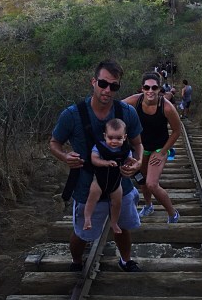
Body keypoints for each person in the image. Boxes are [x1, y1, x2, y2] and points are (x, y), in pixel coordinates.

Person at [50, 59, 144, 272]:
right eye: (103, 84)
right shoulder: (72, 115)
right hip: (87, 184)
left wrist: (137, 162)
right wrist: (65, 156)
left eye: (114, 86)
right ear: (93, 82)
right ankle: (76, 261)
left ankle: (126, 260)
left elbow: (138, 143)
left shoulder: (127, 112)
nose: (107, 90)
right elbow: (54, 143)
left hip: (120, 183)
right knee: (83, 233)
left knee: (123, 227)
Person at [123, 71, 181, 224]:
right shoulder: (134, 101)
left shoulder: (166, 107)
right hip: (141, 148)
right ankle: (148, 206)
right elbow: (114, 109)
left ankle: (173, 213)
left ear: (159, 89)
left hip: (159, 148)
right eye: (146, 87)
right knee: (142, 181)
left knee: (152, 184)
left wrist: (163, 152)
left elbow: (177, 131)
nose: (150, 91)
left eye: (154, 87)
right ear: (142, 88)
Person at [83, 118, 130, 235]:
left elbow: (129, 160)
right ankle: (87, 218)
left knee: (117, 203)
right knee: (92, 198)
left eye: (119, 138)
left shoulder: (125, 149)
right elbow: (94, 159)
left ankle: (114, 222)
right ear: (105, 136)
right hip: (99, 181)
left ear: (124, 137)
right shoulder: (99, 147)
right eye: (110, 138)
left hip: (116, 183)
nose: (114, 141)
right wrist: (105, 163)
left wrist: (130, 164)